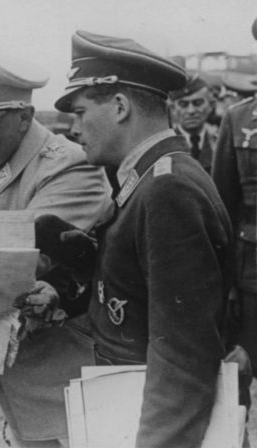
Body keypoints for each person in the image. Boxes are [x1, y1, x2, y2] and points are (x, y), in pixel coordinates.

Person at [55, 30, 233, 448]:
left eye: (79, 112)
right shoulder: (149, 180)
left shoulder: (167, 189)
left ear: (119, 107)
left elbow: (182, 358)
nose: (71, 127)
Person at [0, 48, 112, 447]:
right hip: (27, 388)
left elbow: (17, 256)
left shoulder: (70, 167)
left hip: (71, 394)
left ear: (23, 118)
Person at [213, 18, 257, 388]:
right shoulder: (238, 118)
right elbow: (222, 211)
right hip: (250, 281)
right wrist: (226, 285)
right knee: (237, 385)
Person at [168, 74, 217, 173]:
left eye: (198, 103)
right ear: (173, 109)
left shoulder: (220, 140)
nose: (191, 111)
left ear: (210, 106)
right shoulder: (167, 144)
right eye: (183, 104)